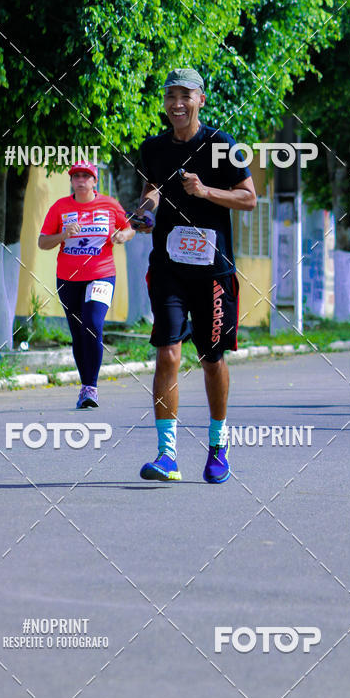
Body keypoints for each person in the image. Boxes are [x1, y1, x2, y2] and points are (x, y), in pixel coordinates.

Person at [134, 68, 256, 483]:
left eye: (185, 95)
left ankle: (218, 445)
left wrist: (205, 192)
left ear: (200, 99)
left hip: (213, 272)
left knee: (210, 359)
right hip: (168, 266)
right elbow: (153, 187)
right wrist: (146, 210)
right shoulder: (152, 147)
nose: (177, 103)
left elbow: (249, 198)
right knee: (168, 352)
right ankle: (167, 455)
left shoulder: (223, 145)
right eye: (171, 96)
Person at [38, 161, 134, 408]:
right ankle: (85, 387)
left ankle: (91, 387)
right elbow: (42, 242)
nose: (80, 179)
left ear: (94, 181)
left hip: (101, 275)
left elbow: (128, 228)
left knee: (92, 324)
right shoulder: (60, 207)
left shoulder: (109, 204)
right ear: (72, 181)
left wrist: (122, 235)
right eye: (76, 176)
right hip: (68, 279)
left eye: (86, 175)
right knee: (78, 333)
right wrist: (63, 235)